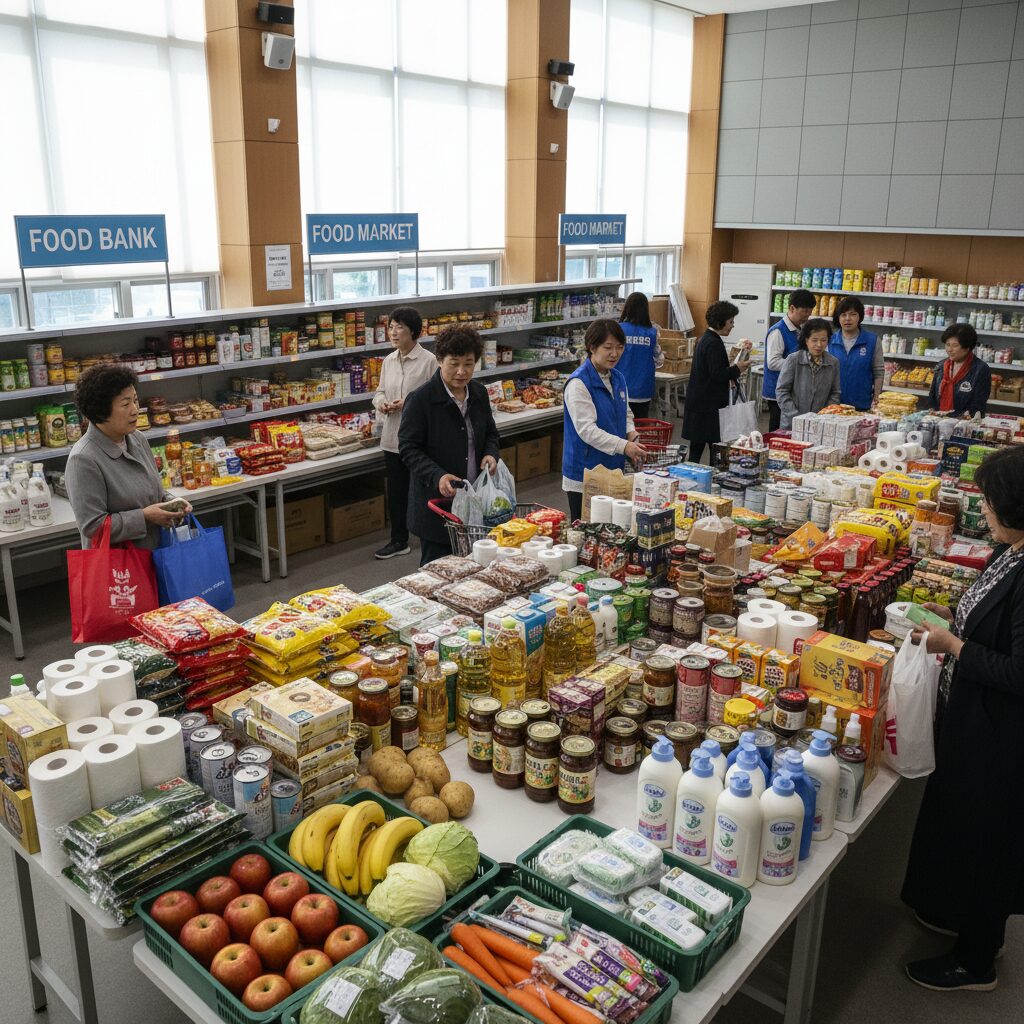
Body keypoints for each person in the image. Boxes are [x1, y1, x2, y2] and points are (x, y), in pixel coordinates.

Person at [901, 444, 1024, 992]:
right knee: (962, 826)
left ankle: (976, 961)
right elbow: (987, 610)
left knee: (988, 840)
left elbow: (1019, 672)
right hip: (977, 723)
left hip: (1001, 736)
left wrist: (953, 644)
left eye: (991, 501)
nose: (985, 511)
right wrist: (952, 617)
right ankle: (954, 913)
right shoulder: (1012, 549)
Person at [399, 325, 500, 566]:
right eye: (454, 363)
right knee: (437, 575)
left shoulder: (478, 393)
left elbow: (492, 433)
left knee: (476, 571)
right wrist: (438, 476)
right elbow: (409, 448)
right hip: (437, 506)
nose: (461, 371)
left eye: (468, 363)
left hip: (475, 501)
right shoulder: (421, 399)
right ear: (439, 361)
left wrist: (490, 454)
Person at [65, 365, 190, 549]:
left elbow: (153, 492)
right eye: (125, 404)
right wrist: (144, 517)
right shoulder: (83, 459)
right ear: (100, 411)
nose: (135, 410)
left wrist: (172, 504)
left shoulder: (137, 439)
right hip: (119, 570)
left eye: (135, 400)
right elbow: (92, 527)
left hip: (153, 557)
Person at [562, 319, 649, 522]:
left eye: (619, 347)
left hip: (612, 466)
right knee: (585, 530)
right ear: (592, 347)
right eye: (608, 347)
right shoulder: (579, 383)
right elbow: (587, 430)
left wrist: (631, 433)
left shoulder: (618, 377)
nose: (615, 354)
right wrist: (624, 446)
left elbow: (625, 412)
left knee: (613, 529)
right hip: (584, 472)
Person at [371, 306, 436, 559]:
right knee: (397, 492)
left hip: (420, 440)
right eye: (391, 327)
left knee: (423, 489)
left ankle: (429, 534)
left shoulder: (429, 361)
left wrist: (407, 402)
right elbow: (379, 392)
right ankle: (399, 540)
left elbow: (435, 398)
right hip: (392, 437)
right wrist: (382, 403)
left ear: (414, 332)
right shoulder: (388, 360)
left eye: (399, 327)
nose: (393, 332)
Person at [681, 301, 751, 465]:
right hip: (708, 406)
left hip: (699, 403)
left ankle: (693, 479)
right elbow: (717, 373)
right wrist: (737, 368)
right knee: (716, 450)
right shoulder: (714, 343)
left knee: (696, 450)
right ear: (721, 321)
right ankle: (714, 481)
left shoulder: (706, 338)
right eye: (731, 321)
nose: (732, 326)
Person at [763, 289, 816, 431]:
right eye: (804, 311)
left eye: (810, 312)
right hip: (777, 392)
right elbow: (773, 363)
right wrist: (800, 363)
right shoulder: (778, 331)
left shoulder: (800, 329)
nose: (807, 316)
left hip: (792, 390)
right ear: (792, 308)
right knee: (778, 431)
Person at [775, 317, 841, 430]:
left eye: (824, 340)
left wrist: (823, 416)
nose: (819, 345)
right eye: (814, 340)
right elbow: (782, 391)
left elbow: (835, 392)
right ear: (806, 340)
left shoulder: (833, 362)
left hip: (820, 424)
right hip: (792, 424)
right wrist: (797, 417)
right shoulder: (793, 360)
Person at [828, 296, 882, 410]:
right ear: (838, 317)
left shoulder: (872, 341)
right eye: (843, 314)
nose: (847, 318)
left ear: (860, 317)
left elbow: (878, 372)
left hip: (862, 405)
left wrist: (877, 397)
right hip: (833, 406)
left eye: (853, 314)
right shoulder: (829, 341)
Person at [617, 291, 664, 420]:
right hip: (643, 388)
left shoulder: (618, 330)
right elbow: (660, 361)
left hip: (620, 388)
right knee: (640, 428)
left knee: (621, 429)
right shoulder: (652, 332)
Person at [927, 323, 991, 417]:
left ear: (967, 348)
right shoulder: (941, 366)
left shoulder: (980, 369)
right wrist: (933, 413)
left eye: (955, 345)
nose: (949, 349)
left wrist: (953, 417)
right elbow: (932, 396)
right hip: (939, 421)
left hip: (966, 424)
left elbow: (978, 404)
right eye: (947, 345)